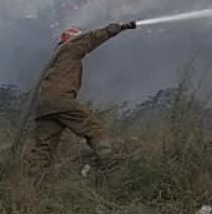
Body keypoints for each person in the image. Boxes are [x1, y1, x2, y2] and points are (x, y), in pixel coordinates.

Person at [26, 21, 136, 168]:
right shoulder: (70, 48)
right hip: (61, 100)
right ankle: (110, 163)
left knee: (43, 149)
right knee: (93, 129)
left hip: (44, 105)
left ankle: (33, 177)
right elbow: (90, 39)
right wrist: (110, 30)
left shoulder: (56, 58)